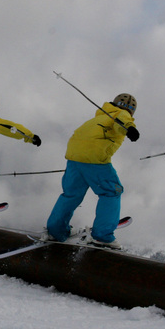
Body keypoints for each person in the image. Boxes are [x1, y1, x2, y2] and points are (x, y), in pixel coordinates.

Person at [44, 94, 140, 249]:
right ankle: (103, 236)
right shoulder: (122, 114)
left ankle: (56, 231)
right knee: (112, 191)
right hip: (94, 159)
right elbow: (122, 121)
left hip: (74, 156)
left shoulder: (99, 117)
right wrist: (130, 129)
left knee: (71, 194)